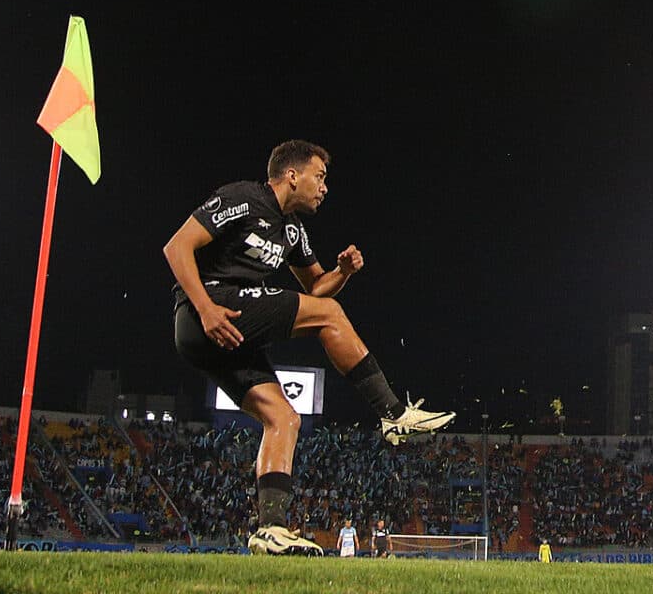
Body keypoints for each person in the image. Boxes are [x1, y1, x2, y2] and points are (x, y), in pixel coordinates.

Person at [164, 140, 454, 556]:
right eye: (319, 177)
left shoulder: (292, 230)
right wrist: (206, 308)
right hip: (208, 311)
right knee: (330, 315)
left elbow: (316, 287)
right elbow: (176, 247)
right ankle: (393, 412)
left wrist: (343, 271)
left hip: (226, 336)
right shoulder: (243, 198)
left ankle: (271, 530)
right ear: (292, 174)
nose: (325, 187)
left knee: (283, 418)